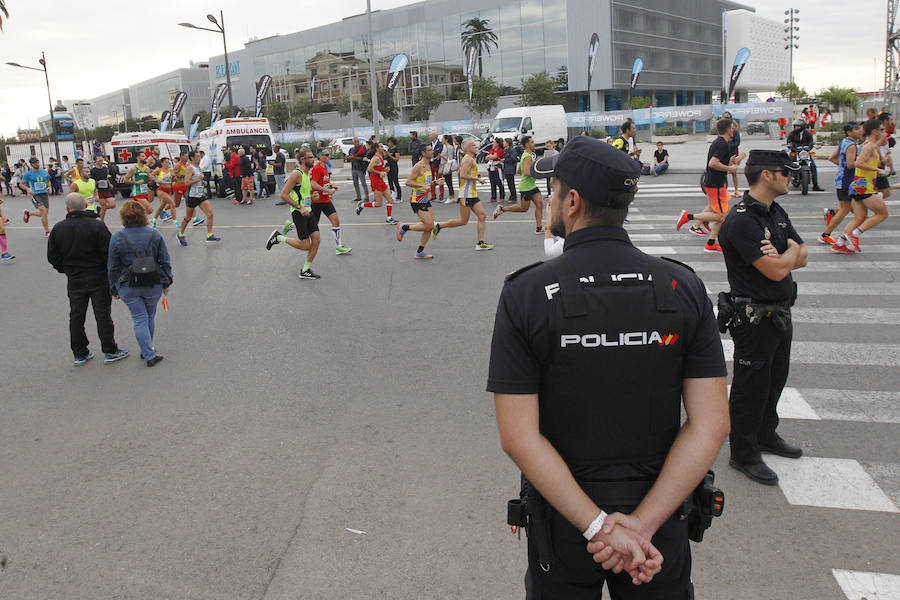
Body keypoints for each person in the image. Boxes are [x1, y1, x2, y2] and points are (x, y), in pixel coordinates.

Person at [488, 135, 729, 598]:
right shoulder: (681, 286)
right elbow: (711, 424)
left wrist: (599, 527)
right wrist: (642, 525)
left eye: (554, 191)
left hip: (564, 518)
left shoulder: (526, 292)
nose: (552, 199)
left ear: (572, 201)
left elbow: (519, 437)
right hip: (659, 518)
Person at [718, 150, 807, 485]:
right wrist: (789, 254)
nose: (791, 177)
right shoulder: (742, 220)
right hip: (754, 316)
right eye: (786, 172)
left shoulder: (775, 212)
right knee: (750, 388)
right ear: (768, 175)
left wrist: (787, 254)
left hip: (780, 312)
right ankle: (743, 453)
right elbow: (772, 270)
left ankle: (766, 435)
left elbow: (803, 254)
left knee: (775, 380)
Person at [47, 192, 129, 366]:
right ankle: (110, 350)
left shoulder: (58, 228)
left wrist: (65, 269)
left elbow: (53, 256)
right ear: (85, 206)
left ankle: (80, 352)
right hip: (97, 275)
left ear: (67, 208)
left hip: (74, 277)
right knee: (103, 315)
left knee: (76, 316)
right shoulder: (97, 226)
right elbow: (109, 253)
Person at [107, 201, 171, 368]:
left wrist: (113, 288)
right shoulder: (154, 234)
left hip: (128, 284)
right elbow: (164, 260)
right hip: (152, 281)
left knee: (139, 318)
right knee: (149, 316)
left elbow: (112, 267)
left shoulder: (117, 237)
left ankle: (148, 351)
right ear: (143, 215)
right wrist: (166, 282)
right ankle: (148, 350)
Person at [675, 118, 741, 253]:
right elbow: (713, 163)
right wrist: (730, 169)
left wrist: (737, 160)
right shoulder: (721, 144)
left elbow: (724, 161)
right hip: (715, 183)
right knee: (722, 217)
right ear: (728, 130)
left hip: (716, 183)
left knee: (717, 211)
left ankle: (710, 242)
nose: (734, 130)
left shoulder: (721, 143)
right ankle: (689, 216)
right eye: (733, 127)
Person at [266, 148, 329, 279]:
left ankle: (305, 270)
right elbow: (284, 194)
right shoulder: (297, 174)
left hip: (308, 211)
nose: (313, 159)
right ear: (302, 159)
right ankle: (278, 237)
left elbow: (303, 195)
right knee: (306, 245)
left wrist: (313, 197)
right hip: (298, 213)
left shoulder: (306, 175)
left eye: (313, 157)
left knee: (316, 240)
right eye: (310, 157)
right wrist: (300, 207)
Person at [832, 119, 891, 253]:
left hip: (859, 185)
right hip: (863, 186)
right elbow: (858, 163)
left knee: (860, 217)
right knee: (882, 213)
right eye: (881, 130)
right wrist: (879, 170)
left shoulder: (871, 145)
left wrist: (882, 162)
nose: (883, 132)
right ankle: (855, 234)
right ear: (875, 131)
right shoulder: (869, 146)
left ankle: (839, 243)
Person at [431, 138, 494, 250]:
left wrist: (475, 176)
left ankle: (480, 243)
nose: (476, 147)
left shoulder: (469, 158)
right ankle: (439, 225)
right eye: (474, 145)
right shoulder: (468, 160)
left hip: (472, 193)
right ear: (468, 148)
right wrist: (476, 178)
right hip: (466, 194)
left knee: (482, 216)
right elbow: (462, 175)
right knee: (463, 221)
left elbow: (461, 171)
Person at [396, 142, 442, 259]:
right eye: (430, 150)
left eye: (432, 150)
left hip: (425, 199)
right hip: (417, 200)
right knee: (429, 225)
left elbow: (425, 184)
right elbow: (408, 182)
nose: (432, 151)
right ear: (423, 153)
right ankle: (405, 227)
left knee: (429, 227)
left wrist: (436, 182)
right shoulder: (418, 166)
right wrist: (422, 187)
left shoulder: (428, 166)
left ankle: (419, 252)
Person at [821, 121, 863, 245]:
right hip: (847, 181)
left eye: (859, 128)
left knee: (849, 208)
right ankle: (826, 234)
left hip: (843, 179)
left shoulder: (844, 142)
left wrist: (842, 167)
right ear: (849, 132)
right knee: (846, 210)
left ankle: (832, 213)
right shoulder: (851, 145)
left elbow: (831, 158)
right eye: (856, 129)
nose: (860, 131)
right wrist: (863, 162)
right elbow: (850, 164)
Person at [493, 135, 544, 234]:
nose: (534, 144)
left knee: (540, 204)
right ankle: (502, 209)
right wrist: (539, 174)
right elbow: (527, 172)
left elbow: (519, 171)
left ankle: (539, 228)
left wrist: (530, 177)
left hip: (531, 185)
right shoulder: (527, 157)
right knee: (523, 208)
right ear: (527, 144)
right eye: (532, 142)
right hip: (526, 187)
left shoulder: (526, 155)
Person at [310, 149, 351, 255]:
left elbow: (324, 182)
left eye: (329, 155)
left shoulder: (325, 168)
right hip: (317, 201)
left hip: (326, 200)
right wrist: (328, 190)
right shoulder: (317, 168)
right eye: (327, 155)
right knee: (311, 224)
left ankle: (339, 247)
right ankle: (292, 225)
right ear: (320, 157)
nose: (329, 157)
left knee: (336, 221)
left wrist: (331, 186)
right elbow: (313, 184)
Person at [176, 151, 220, 246]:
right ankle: (181, 234)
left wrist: (203, 182)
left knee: (210, 213)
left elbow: (199, 179)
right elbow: (186, 182)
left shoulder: (198, 167)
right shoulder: (189, 168)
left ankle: (209, 234)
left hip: (200, 195)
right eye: (197, 156)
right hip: (192, 196)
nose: (199, 158)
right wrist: (198, 180)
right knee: (188, 218)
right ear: (192, 158)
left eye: (200, 156)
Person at [357, 142, 396, 224]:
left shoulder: (381, 157)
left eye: (383, 146)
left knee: (390, 199)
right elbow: (369, 169)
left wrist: (385, 170)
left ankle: (389, 218)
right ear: (377, 149)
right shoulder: (376, 158)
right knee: (379, 204)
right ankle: (362, 205)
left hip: (380, 181)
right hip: (375, 181)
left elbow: (379, 168)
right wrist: (380, 173)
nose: (383, 148)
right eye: (381, 146)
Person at [785, 119, 824, 191]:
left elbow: (811, 142)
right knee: (788, 165)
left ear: (803, 126)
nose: (797, 127)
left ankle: (815, 186)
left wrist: (809, 148)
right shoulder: (792, 134)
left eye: (798, 126)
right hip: (795, 151)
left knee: (813, 166)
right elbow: (789, 142)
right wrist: (792, 147)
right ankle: (784, 185)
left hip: (804, 153)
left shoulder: (807, 133)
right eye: (796, 126)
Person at [20, 157, 52, 236]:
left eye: (38, 162)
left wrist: (49, 187)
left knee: (44, 213)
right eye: (35, 163)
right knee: (43, 212)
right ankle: (47, 231)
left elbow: (48, 180)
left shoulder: (44, 172)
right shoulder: (28, 174)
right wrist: (28, 189)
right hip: (35, 194)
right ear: (31, 164)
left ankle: (28, 213)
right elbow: (21, 184)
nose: (37, 164)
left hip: (44, 193)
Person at [150, 157, 179, 230]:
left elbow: (175, 179)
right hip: (161, 190)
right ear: (162, 163)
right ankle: (175, 221)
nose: (167, 164)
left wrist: (173, 178)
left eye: (168, 162)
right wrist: (156, 180)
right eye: (165, 162)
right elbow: (150, 175)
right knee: (172, 204)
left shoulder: (171, 170)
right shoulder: (159, 170)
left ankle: (153, 220)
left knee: (161, 207)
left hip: (168, 190)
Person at [722, 112, 744, 196]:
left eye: (728, 118)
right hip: (723, 155)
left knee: (733, 172)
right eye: (725, 118)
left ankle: (736, 190)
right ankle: (723, 190)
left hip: (732, 154)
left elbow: (737, 143)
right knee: (723, 173)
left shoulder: (735, 132)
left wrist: (727, 145)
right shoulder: (722, 131)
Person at [90, 156, 115, 222]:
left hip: (106, 188)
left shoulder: (105, 169)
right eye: (99, 160)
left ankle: (100, 210)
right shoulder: (93, 170)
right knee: (103, 207)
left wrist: (109, 184)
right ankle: (102, 221)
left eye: (102, 160)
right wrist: (97, 182)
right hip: (99, 190)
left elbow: (106, 178)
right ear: (95, 161)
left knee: (112, 204)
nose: (101, 162)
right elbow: (91, 181)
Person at [348, 137, 370, 204]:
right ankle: (358, 196)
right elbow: (350, 158)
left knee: (363, 183)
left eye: (357, 141)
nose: (357, 142)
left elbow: (364, 158)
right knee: (355, 183)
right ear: (353, 142)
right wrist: (348, 158)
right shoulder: (351, 149)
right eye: (355, 141)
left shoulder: (362, 148)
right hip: (354, 168)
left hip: (360, 168)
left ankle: (367, 197)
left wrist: (354, 157)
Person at [428, 132, 446, 203]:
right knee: (431, 179)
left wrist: (432, 152)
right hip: (430, 163)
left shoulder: (440, 144)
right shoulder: (429, 144)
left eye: (431, 135)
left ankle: (441, 196)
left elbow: (438, 152)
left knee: (439, 179)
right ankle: (433, 195)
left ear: (435, 136)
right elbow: (431, 152)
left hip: (438, 163)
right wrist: (433, 152)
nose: (430, 136)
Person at [486, 138, 506, 202]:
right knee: (492, 183)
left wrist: (491, 156)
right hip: (491, 167)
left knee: (499, 182)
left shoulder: (501, 150)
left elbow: (494, 157)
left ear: (498, 143)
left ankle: (502, 196)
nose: (493, 143)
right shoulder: (492, 149)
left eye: (494, 142)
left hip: (497, 168)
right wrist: (492, 156)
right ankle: (493, 197)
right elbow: (487, 157)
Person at [385, 137, 402, 202]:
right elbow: (387, 158)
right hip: (389, 167)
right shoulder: (389, 149)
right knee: (390, 182)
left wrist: (390, 155)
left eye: (389, 142)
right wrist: (386, 154)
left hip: (394, 167)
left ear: (392, 142)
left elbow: (397, 159)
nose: (388, 143)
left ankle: (399, 196)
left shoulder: (396, 149)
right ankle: (392, 195)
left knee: (395, 182)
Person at [502, 138, 518, 203]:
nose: (503, 143)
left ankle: (513, 197)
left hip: (510, 169)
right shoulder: (506, 150)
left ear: (508, 143)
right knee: (509, 183)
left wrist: (505, 160)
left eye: (504, 142)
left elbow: (513, 159)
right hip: (507, 169)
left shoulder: (512, 150)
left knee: (511, 184)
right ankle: (512, 196)